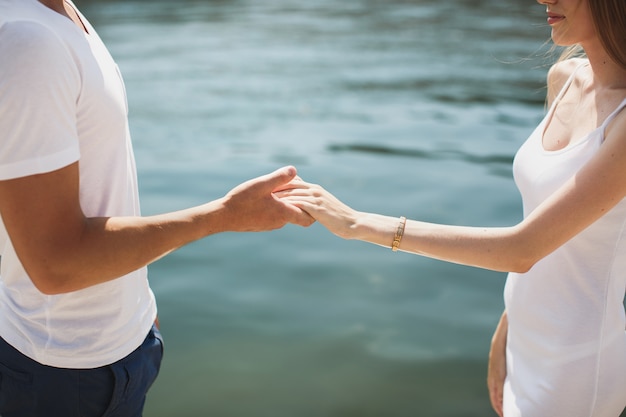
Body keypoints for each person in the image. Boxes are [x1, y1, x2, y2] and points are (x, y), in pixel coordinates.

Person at [280, 0, 626, 416]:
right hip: (525, 341)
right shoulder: (565, 78)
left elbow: (524, 248)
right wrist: (507, 327)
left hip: (576, 367)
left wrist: (357, 223)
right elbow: (550, 235)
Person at [0, 0, 313, 416]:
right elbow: (56, 261)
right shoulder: (28, 39)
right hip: (63, 374)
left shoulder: (59, 14)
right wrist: (223, 216)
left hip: (118, 351)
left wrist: (138, 306)